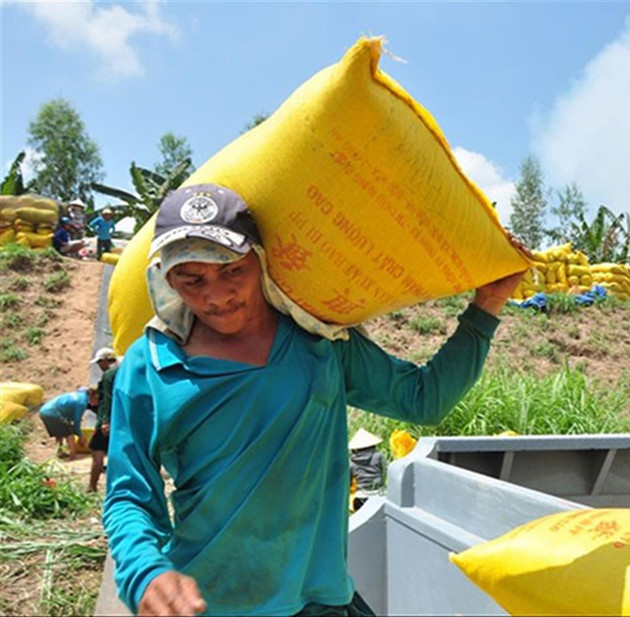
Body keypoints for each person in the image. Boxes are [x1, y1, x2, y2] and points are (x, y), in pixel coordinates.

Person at [102, 183, 526, 617]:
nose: (216, 295)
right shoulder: (151, 365)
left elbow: (423, 399)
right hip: (210, 603)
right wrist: (146, 572)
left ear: (260, 260)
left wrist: (487, 305)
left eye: (232, 270)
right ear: (168, 279)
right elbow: (129, 493)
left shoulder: (318, 342)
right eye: (192, 280)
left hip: (322, 601)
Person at [88, 349, 119, 493]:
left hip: (108, 422)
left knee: (97, 453)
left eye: (100, 363)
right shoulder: (125, 370)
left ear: (104, 361)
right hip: (123, 422)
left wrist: (106, 421)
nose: (99, 366)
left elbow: (108, 400)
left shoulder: (108, 376)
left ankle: (91, 487)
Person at [38, 387, 92, 458]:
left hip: (43, 411)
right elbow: (76, 420)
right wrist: (80, 436)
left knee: (59, 432)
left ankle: (60, 452)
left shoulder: (74, 395)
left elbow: (68, 414)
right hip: (53, 412)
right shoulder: (82, 401)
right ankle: (73, 454)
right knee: (70, 432)